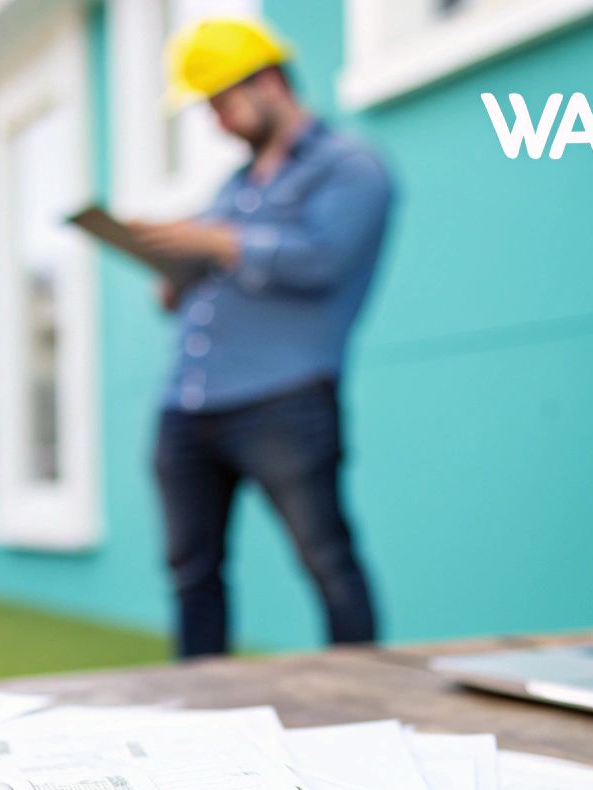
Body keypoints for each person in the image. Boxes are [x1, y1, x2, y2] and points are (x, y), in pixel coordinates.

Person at [130, 16, 394, 659]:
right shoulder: (234, 187)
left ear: (268, 82)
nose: (217, 122)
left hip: (284, 401)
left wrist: (215, 240)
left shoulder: (351, 167)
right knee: (191, 574)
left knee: (326, 560)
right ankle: (202, 712)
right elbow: (217, 270)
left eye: (220, 102)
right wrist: (176, 272)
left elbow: (324, 260)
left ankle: (362, 698)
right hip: (189, 404)